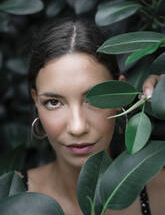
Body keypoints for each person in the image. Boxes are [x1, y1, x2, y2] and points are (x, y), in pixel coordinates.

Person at [23, 17, 164, 215]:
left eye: (94, 99)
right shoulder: (9, 197)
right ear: (35, 101)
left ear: (119, 95)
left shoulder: (161, 195)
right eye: (53, 102)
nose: (77, 127)